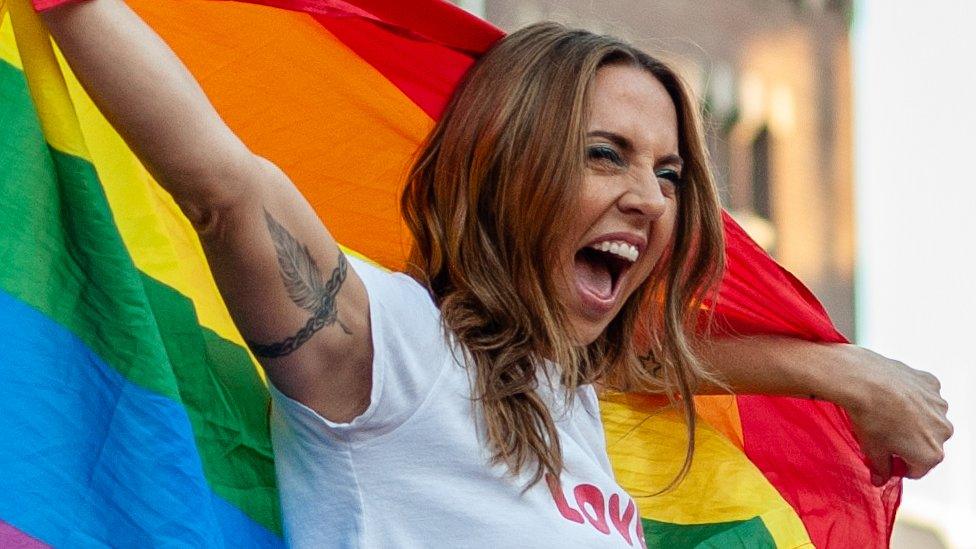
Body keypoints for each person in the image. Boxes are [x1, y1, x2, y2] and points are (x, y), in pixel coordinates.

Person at [37, 0, 952, 546]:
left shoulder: (577, 400)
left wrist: (847, 373)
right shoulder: (390, 351)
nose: (652, 199)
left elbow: (648, 358)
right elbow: (223, 187)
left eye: (668, 173)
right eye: (605, 156)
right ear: (508, 168)